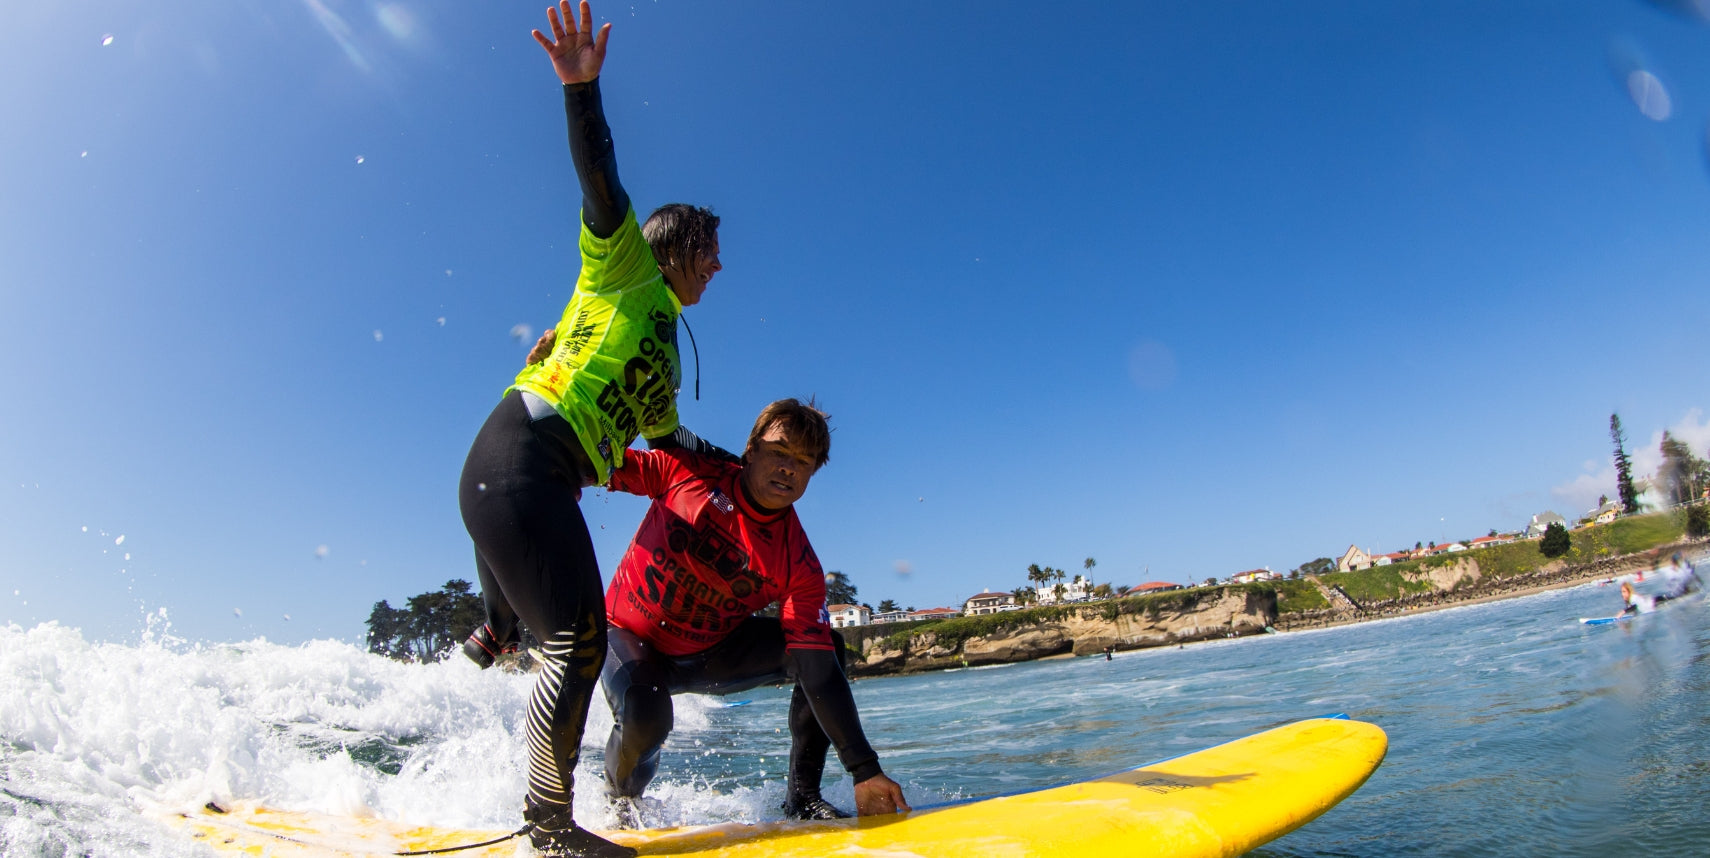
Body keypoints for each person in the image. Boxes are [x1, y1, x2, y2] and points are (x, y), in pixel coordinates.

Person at [457, 4, 730, 854]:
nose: (718, 268)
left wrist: (747, 463)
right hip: (519, 456)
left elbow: (668, 442)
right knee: (578, 644)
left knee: (568, 639)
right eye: (710, 251)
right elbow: (600, 179)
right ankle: (548, 826)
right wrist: (583, 91)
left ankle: (497, 630)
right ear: (675, 249)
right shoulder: (625, 266)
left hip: (536, 481)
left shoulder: (665, 360)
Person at [599, 399, 911, 824]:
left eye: (803, 461)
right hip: (629, 637)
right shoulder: (686, 472)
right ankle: (620, 807)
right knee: (645, 711)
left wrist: (865, 770)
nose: (789, 468)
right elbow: (586, 460)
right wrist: (552, 384)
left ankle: (802, 797)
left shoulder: (798, 561)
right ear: (751, 450)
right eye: (780, 452)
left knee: (829, 649)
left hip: (710, 653)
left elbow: (815, 664)